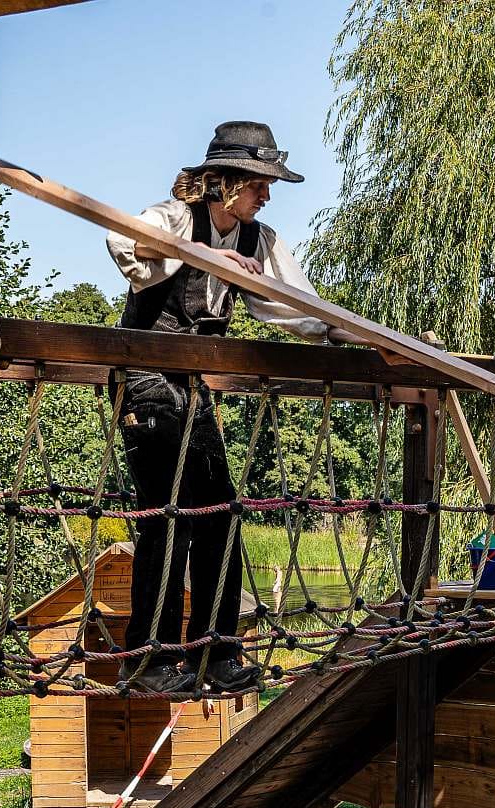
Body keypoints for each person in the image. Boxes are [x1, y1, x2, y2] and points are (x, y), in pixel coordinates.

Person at [106, 121, 359, 694]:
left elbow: (295, 305)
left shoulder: (257, 240)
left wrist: (341, 332)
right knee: (165, 518)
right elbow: (123, 243)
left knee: (219, 511)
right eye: (259, 184)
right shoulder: (173, 219)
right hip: (145, 375)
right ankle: (147, 660)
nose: (267, 195)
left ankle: (215, 653)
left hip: (192, 386)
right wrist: (197, 254)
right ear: (224, 183)